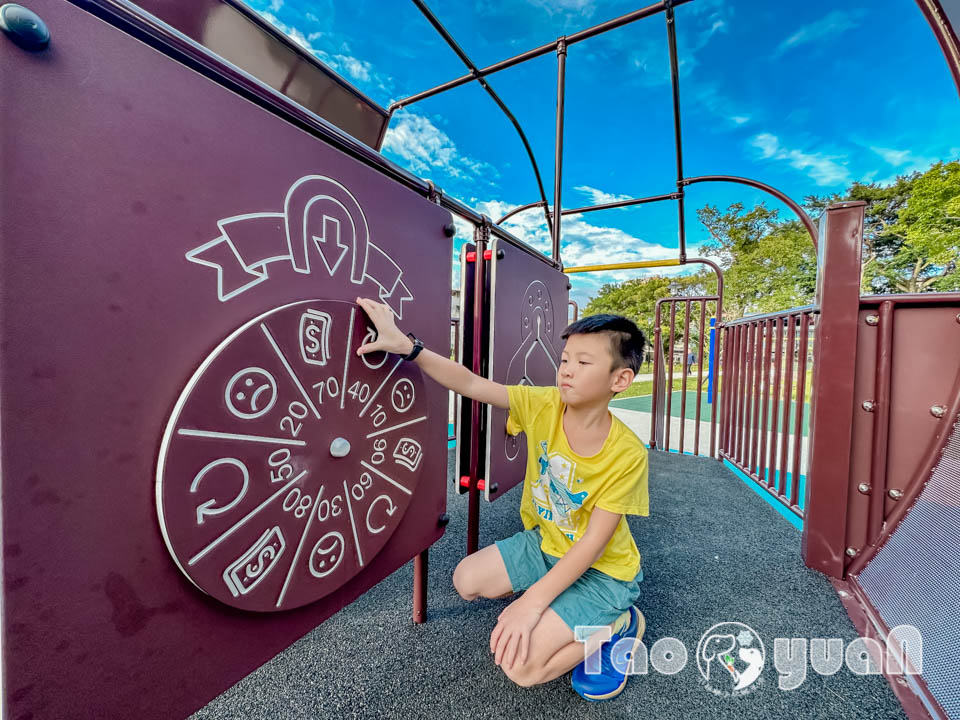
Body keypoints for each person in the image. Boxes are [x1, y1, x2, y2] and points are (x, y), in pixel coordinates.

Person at [355, 298, 649, 701]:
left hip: (603, 573)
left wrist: (533, 605)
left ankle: (619, 624)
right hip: (548, 546)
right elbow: (471, 383)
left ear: (620, 380)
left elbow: (593, 544)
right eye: (565, 359)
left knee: (523, 668)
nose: (566, 369)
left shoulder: (627, 453)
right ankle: (559, 604)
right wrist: (410, 348)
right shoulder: (545, 403)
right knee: (466, 580)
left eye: (584, 362)